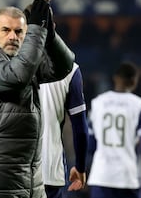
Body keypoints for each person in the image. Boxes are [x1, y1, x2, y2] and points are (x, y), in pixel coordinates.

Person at [0, 0, 75, 198]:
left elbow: (63, 67)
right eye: (5, 30)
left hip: (28, 178)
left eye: (19, 31)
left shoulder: (23, 59)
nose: (13, 37)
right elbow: (16, 77)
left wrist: (49, 34)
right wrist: (36, 32)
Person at [87, 61, 141, 198]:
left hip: (101, 175)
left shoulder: (97, 103)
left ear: (115, 78)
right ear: (134, 81)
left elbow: (90, 145)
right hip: (127, 177)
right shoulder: (140, 106)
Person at [38, 62, 89, 198]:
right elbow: (81, 130)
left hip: (10, 172)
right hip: (49, 171)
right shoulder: (71, 69)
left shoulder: (8, 60)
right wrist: (80, 167)